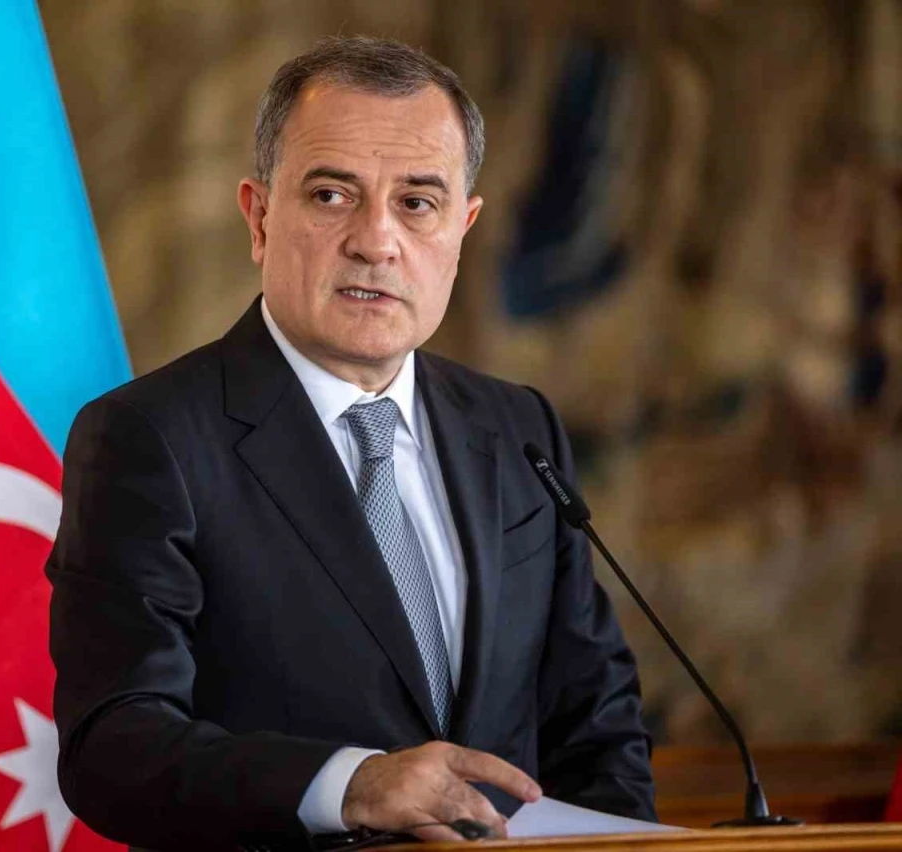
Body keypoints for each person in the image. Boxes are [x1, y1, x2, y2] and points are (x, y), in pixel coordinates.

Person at [47, 35, 654, 852]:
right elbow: (113, 746)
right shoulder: (150, 438)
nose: (376, 240)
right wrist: (354, 785)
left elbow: (596, 726)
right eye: (332, 195)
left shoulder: (518, 429)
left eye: (418, 202)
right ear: (259, 219)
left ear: (463, 228)